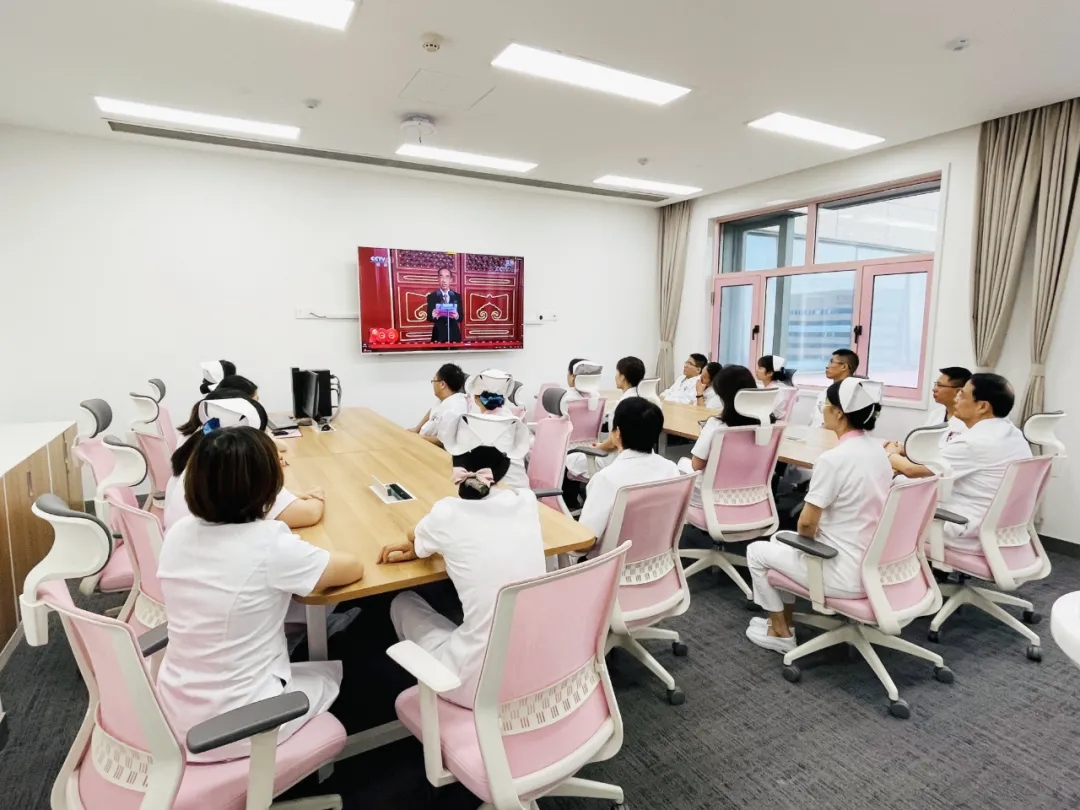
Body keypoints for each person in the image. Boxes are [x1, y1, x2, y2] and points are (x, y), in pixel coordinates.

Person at [157, 425, 364, 762]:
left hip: (172, 711)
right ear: (268, 484)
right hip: (239, 724)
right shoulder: (269, 544)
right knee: (332, 674)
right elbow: (352, 567)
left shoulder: (178, 534)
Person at [378, 414, 543, 709]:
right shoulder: (526, 502)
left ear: (457, 464)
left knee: (401, 601)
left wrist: (424, 542)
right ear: (505, 467)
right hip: (537, 669)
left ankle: (424, 700)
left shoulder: (447, 513)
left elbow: (414, 535)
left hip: (471, 684)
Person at [745, 378, 891, 653]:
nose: (823, 409)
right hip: (875, 565)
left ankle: (780, 632)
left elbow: (806, 524)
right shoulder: (879, 452)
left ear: (839, 413)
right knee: (779, 541)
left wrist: (813, 537)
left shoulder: (833, 459)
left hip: (841, 570)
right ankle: (783, 620)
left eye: (826, 404)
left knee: (755, 552)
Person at [888, 373, 1030, 553]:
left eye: (962, 394)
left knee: (886, 499)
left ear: (983, 406)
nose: (956, 399)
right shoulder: (1013, 433)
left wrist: (889, 454)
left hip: (961, 526)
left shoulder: (975, 442)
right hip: (1000, 528)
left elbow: (912, 470)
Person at [165, 394, 325, 532]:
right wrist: (319, 495)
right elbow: (310, 513)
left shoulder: (208, 459)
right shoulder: (241, 474)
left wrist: (289, 495)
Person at [579, 398, 679, 541]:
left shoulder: (606, 479)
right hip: (659, 553)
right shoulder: (670, 469)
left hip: (615, 555)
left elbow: (585, 540)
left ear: (617, 433)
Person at [677, 365, 762, 507]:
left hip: (711, 498)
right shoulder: (768, 427)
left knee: (679, 464)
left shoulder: (717, 425)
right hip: (752, 496)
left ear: (724, 396)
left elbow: (697, 465)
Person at [565, 355, 646, 479]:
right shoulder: (643, 400)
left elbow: (615, 442)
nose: (615, 377)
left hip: (613, 460)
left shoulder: (623, 406)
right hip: (636, 459)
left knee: (569, 459)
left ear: (622, 377)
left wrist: (599, 446)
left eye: (617, 373)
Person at [457, 369, 530, 490]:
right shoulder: (512, 419)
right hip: (521, 490)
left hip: (499, 490)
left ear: (476, 398)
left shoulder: (479, 424)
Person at [885, 367, 971, 465]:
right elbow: (921, 445)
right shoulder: (937, 414)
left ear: (958, 391)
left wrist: (891, 454)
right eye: (935, 384)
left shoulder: (968, 423)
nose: (934, 389)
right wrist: (899, 447)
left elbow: (941, 458)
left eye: (940, 385)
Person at [410, 363, 468, 446]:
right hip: (424, 439)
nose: (433, 384)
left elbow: (443, 440)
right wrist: (417, 429)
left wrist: (419, 438)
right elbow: (433, 411)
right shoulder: (444, 399)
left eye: (434, 380)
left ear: (442, 384)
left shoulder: (454, 409)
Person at [810, 349, 859, 428]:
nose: (827, 366)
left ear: (844, 367)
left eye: (831, 362)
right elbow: (814, 421)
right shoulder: (826, 392)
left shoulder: (850, 395)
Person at [426, 268, 462, 344]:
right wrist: (433, 315)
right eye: (441, 277)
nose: (444, 280)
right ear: (438, 279)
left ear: (451, 280)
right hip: (438, 335)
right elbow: (429, 318)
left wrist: (457, 315)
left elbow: (461, 318)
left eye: (447, 277)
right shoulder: (432, 296)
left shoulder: (456, 296)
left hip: (454, 335)